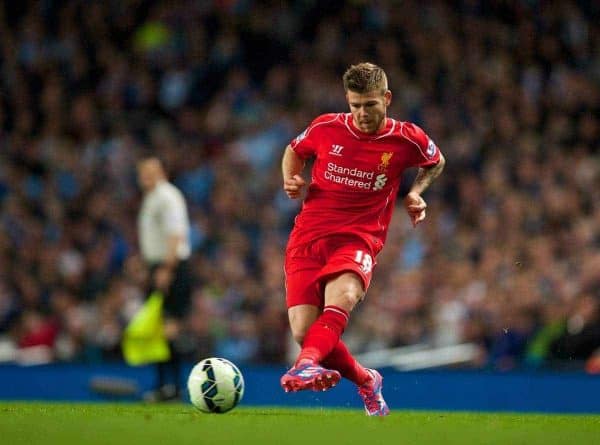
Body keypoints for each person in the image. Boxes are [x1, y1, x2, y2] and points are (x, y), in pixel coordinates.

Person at [280, 63, 445, 416]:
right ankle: (367, 379)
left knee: (345, 296)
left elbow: (435, 161)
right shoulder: (326, 127)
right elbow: (294, 149)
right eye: (355, 105)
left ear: (386, 99)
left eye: (370, 104)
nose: (361, 113)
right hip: (308, 238)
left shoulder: (406, 138)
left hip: (359, 238)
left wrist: (415, 192)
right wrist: (291, 179)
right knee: (304, 331)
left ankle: (304, 365)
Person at [136, 157, 192, 401]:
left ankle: (174, 387)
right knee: (159, 329)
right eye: (143, 172)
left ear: (162, 172)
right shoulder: (152, 198)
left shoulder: (167, 197)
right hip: (158, 265)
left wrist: (166, 269)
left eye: (151, 172)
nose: (146, 177)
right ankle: (164, 386)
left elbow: (175, 233)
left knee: (169, 328)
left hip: (171, 266)